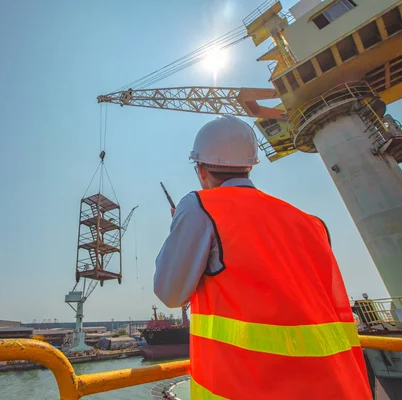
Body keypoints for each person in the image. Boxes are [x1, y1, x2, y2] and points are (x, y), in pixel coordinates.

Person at [154, 115, 371, 400]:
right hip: (338, 387)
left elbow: (170, 293)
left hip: (251, 388)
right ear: (249, 167)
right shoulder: (309, 222)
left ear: (201, 170)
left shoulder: (199, 207)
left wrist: (182, 230)